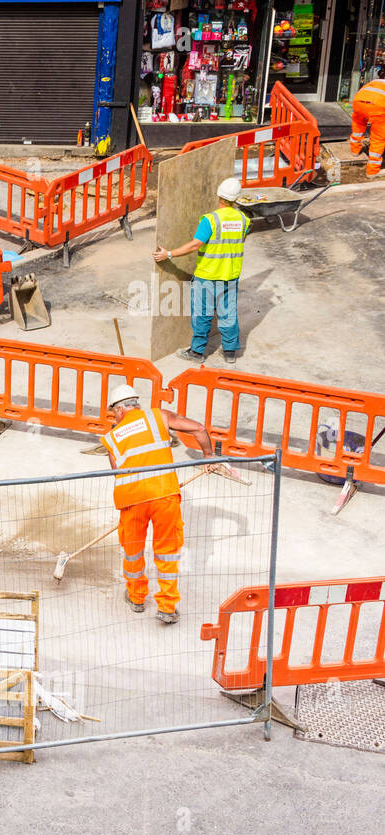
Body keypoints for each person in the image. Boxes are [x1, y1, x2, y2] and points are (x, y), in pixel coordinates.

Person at [101, 384, 215, 625]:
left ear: (120, 410)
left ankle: (136, 598)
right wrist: (208, 457)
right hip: (164, 495)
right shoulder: (158, 416)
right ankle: (167, 606)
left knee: (132, 552)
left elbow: (118, 473)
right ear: (135, 404)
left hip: (132, 500)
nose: (114, 417)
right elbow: (199, 428)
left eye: (113, 413)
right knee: (167, 552)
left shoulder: (111, 438)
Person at [152, 177, 250, 365]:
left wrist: (169, 254)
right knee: (227, 313)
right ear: (236, 198)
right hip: (230, 275)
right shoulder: (244, 220)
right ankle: (230, 352)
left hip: (208, 275)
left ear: (219, 195)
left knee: (202, 314)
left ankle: (197, 352)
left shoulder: (210, 220)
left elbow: (196, 244)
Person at [349, 72, 385, 178]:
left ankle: (354, 151)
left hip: (359, 102)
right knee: (378, 138)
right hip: (378, 106)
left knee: (358, 126)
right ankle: (372, 171)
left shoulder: (375, 81)